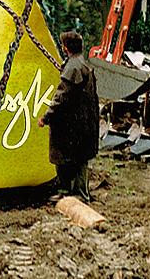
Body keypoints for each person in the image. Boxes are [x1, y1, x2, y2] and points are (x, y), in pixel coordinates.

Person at [38, 31, 99, 202]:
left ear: (66, 48)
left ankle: (69, 193)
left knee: (64, 157)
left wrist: (46, 117)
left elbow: (61, 97)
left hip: (70, 124)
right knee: (80, 159)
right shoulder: (81, 64)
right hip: (84, 122)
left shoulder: (73, 67)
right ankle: (80, 193)